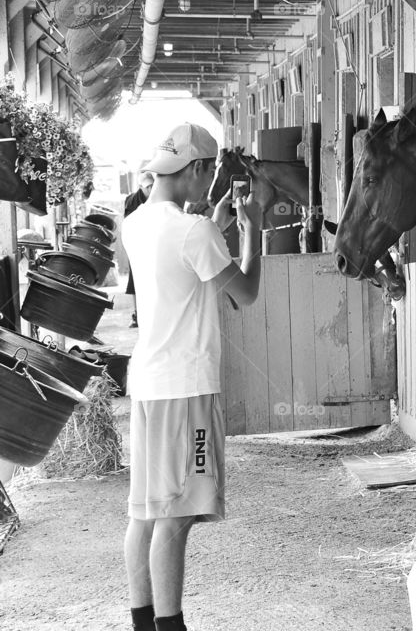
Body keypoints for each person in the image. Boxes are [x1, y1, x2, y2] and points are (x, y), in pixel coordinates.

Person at [121, 123, 262, 631]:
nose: (212, 186)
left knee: (144, 512)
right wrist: (254, 236)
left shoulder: (135, 223)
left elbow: (181, 264)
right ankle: (170, 625)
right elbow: (244, 292)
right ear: (198, 169)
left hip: (148, 382)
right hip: (187, 387)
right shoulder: (194, 231)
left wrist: (215, 228)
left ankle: (144, 621)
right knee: (176, 517)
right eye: (211, 172)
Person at [123, 170, 154, 328]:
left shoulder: (157, 199)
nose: (151, 189)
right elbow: (129, 225)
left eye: (153, 186)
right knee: (134, 280)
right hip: (136, 245)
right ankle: (136, 314)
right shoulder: (131, 201)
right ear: (141, 187)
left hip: (154, 244)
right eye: (148, 186)